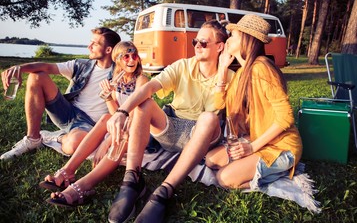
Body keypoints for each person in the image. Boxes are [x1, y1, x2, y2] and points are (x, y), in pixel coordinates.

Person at [105, 20, 234, 223]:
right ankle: (132, 180)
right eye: (195, 41)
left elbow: (221, 112)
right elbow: (149, 87)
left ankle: (164, 191)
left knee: (209, 118)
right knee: (145, 103)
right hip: (173, 128)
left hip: (204, 136)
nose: (197, 46)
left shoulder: (231, 77)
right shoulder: (183, 65)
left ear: (220, 47)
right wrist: (121, 111)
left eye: (203, 42)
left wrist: (223, 72)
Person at [40, 41, 148, 207]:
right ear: (117, 60)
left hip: (138, 131)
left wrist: (108, 141)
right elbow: (116, 115)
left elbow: (133, 118)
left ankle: (82, 186)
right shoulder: (115, 80)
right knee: (105, 118)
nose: (131, 60)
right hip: (123, 125)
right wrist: (109, 97)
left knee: (123, 133)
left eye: (134, 56)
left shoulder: (141, 80)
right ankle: (68, 170)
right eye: (126, 57)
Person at [205, 14, 302, 191]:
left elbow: (286, 116)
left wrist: (251, 147)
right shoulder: (242, 72)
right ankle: (254, 168)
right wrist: (222, 69)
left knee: (224, 178)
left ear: (246, 39)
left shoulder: (261, 68)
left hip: (281, 146)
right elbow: (220, 104)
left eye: (233, 35)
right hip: (258, 138)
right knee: (210, 160)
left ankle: (280, 172)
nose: (228, 39)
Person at [0, 27, 121, 160]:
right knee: (37, 76)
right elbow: (46, 67)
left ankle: (51, 137)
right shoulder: (81, 65)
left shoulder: (119, 74)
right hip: (67, 112)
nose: (89, 46)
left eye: (95, 44)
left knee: (74, 144)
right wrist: (19, 68)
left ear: (108, 50)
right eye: (90, 42)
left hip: (89, 125)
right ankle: (33, 138)